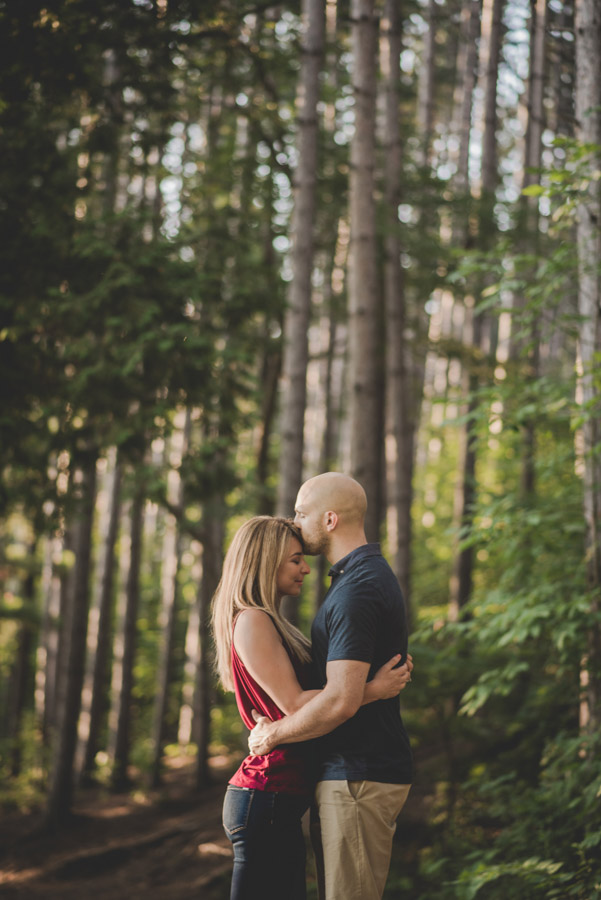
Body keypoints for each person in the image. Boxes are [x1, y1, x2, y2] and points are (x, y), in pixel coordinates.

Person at [211, 515, 412, 900]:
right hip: (266, 791)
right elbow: (296, 704)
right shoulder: (253, 620)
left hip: (280, 797)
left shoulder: (269, 621)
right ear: (265, 561)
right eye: (295, 559)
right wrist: (374, 689)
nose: (305, 568)